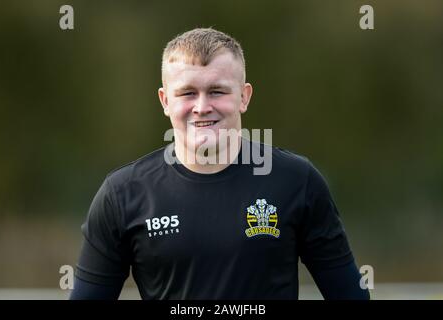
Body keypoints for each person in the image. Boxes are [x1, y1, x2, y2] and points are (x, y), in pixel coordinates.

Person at [70, 28, 370, 300]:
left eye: (217, 91)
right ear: (165, 101)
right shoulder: (122, 193)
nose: (202, 107)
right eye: (187, 93)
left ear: (244, 96)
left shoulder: (297, 181)